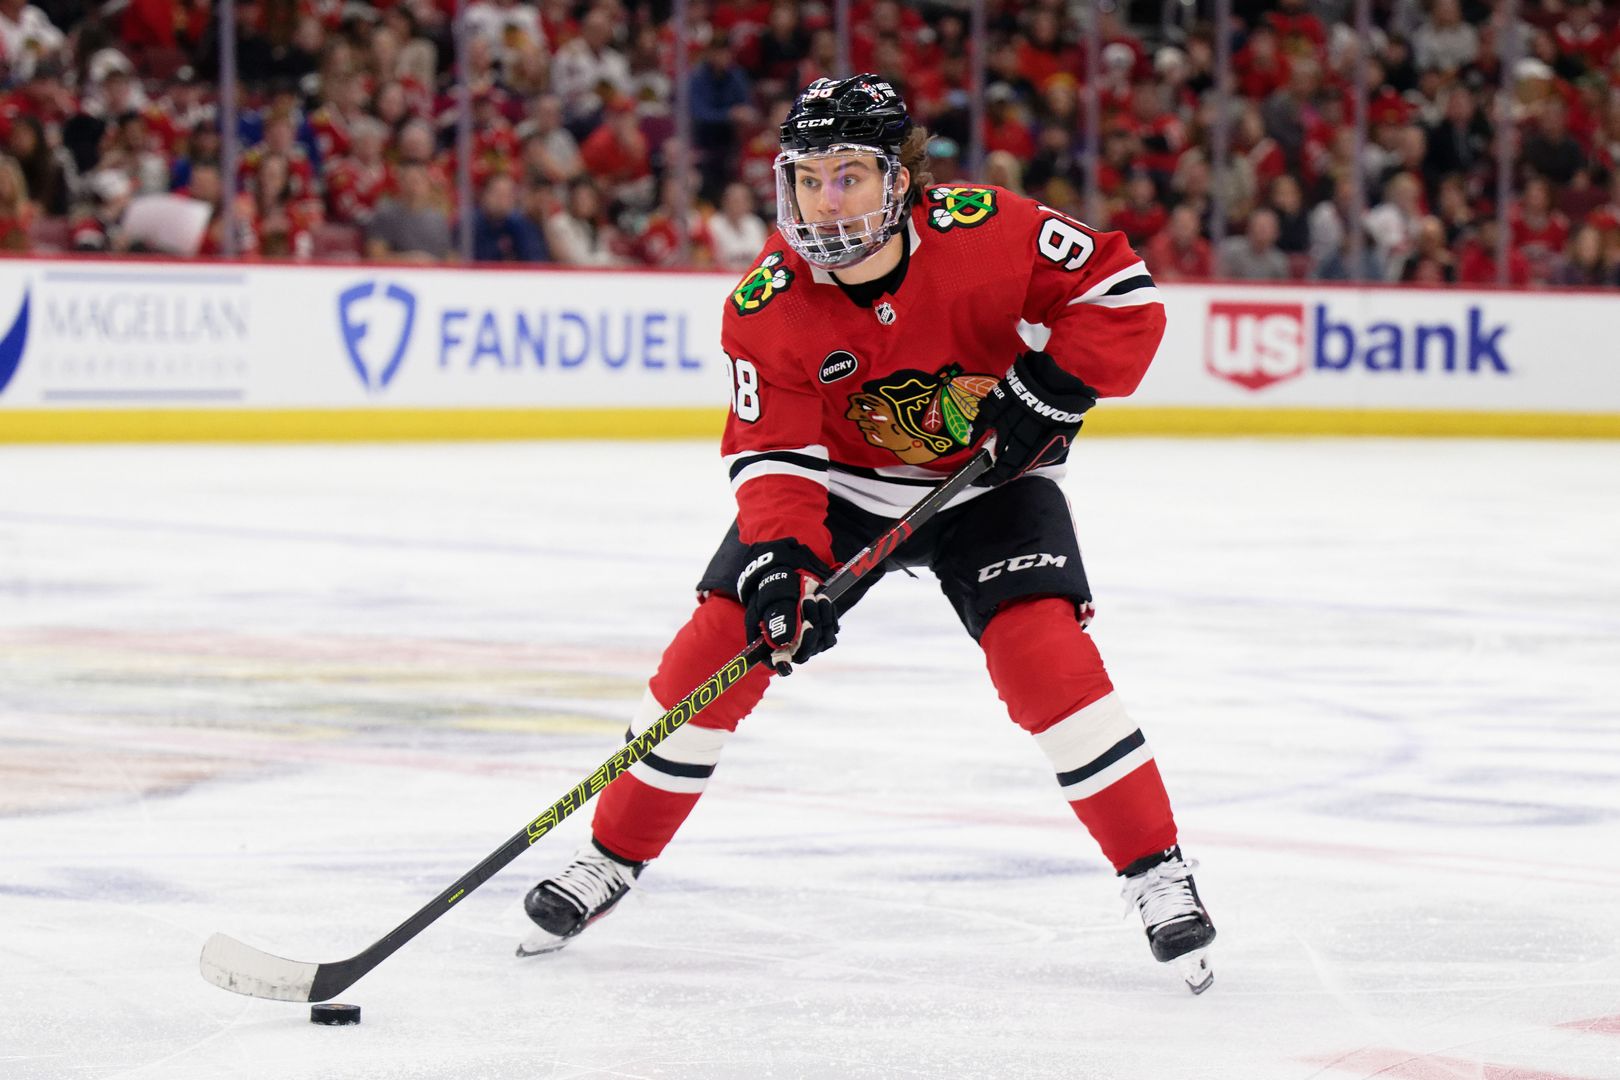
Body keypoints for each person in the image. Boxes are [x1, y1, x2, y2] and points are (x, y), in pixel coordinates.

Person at [519, 74, 1217, 994]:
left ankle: (1156, 870)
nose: (826, 200)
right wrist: (781, 565)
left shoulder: (985, 229)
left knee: (1044, 658)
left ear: (900, 179)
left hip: (989, 484)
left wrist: (1055, 385)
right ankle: (611, 855)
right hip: (841, 491)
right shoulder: (768, 301)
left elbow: (1120, 292)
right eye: (809, 179)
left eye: (848, 175)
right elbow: (772, 453)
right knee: (715, 652)